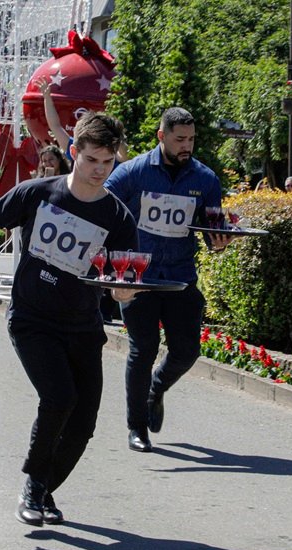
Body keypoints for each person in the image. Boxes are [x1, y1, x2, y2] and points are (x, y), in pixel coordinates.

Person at [0, 113, 138, 526]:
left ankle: (44, 489)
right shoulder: (37, 193)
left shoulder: (118, 217)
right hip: (33, 319)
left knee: (84, 422)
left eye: (107, 163)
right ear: (74, 152)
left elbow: (121, 281)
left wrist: (124, 293)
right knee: (59, 397)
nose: (99, 171)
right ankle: (34, 486)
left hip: (82, 326)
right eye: (91, 160)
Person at [104, 107, 235, 453]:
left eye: (191, 139)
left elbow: (211, 233)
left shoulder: (206, 180)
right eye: (179, 139)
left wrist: (220, 243)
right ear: (161, 136)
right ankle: (136, 428)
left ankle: (156, 389)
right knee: (142, 349)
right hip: (139, 276)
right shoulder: (132, 173)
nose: (186, 146)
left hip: (179, 276)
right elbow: (101, 206)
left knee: (187, 351)